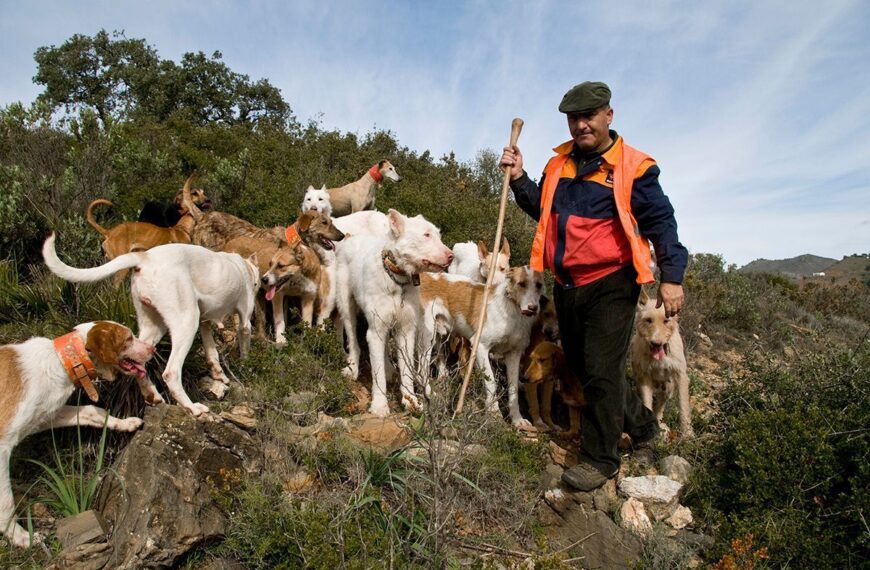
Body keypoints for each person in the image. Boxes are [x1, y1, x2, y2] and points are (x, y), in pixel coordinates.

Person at [500, 81, 688, 491]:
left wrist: (672, 276)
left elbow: (661, 222)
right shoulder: (559, 165)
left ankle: (600, 459)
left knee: (601, 369)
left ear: (609, 115)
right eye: (574, 118)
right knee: (586, 369)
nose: (581, 124)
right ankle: (642, 429)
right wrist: (518, 179)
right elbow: (542, 208)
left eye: (589, 116)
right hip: (567, 284)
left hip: (611, 283)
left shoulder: (633, 167)